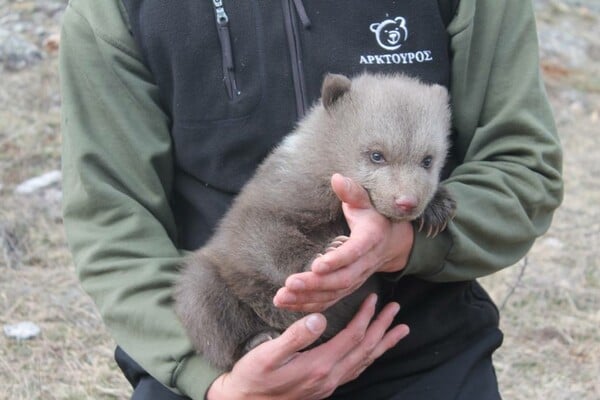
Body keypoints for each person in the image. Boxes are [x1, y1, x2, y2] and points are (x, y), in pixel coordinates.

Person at [59, 0, 563, 399]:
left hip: (421, 350)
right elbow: (111, 218)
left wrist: (403, 241)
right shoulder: (116, 9)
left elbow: (524, 167)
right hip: (216, 352)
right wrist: (213, 381)